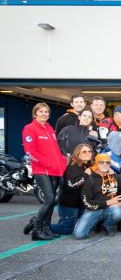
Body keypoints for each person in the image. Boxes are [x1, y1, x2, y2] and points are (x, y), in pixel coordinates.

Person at [22, 103, 68, 240]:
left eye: (46, 112)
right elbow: (30, 152)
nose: (44, 114)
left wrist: (62, 164)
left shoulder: (49, 128)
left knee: (52, 201)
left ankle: (46, 228)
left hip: (55, 171)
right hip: (42, 170)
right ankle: (37, 229)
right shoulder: (29, 128)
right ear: (35, 113)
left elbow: (56, 151)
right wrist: (47, 163)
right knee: (49, 199)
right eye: (41, 111)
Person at [24, 144, 92, 236]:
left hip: (80, 204)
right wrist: (86, 175)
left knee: (79, 225)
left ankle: (62, 221)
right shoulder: (72, 167)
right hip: (70, 205)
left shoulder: (85, 166)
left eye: (89, 151)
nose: (88, 153)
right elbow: (72, 185)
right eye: (84, 151)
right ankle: (36, 223)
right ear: (77, 153)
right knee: (66, 229)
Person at [73, 154, 121, 239]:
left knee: (117, 212)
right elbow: (87, 202)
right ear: (96, 164)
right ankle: (89, 222)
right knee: (79, 235)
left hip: (111, 209)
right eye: (101, 162)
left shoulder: (116, 177)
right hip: (94, 210)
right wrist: (108, 202)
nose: (105, 164)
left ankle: (107, 225)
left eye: (107, 162)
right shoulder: (90, 179)